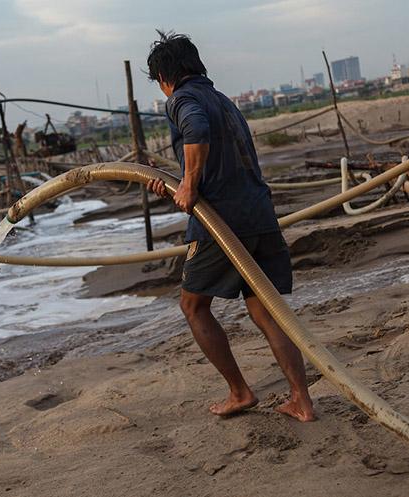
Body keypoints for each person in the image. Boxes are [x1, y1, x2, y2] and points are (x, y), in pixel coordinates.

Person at [145, 31, 315, 422]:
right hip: (259, 214)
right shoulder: (223, 100)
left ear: (164, 77)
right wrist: (176, 179)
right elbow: (215, 158)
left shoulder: (182, 100)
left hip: (221, 224)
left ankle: (240, 392)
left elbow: (196, 130)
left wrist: (187, 184)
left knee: (193, 306)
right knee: (267, 311)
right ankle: (301, 402)